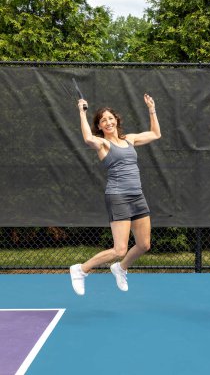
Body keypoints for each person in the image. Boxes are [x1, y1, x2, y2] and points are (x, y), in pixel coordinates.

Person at [70, 94, 161, 296]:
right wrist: (81, 112)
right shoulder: (103, 144)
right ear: (100, 127)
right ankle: (81, 269)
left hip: (137, 196)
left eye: (111, 118)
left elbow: (155, 134)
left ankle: (120, 268)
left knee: (144, 244)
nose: (108, 122)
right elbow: (87, 138)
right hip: (118, 196)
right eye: (103, 120)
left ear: (116, 120)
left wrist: (151, 109)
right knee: (119, 249)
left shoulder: (129, 139)